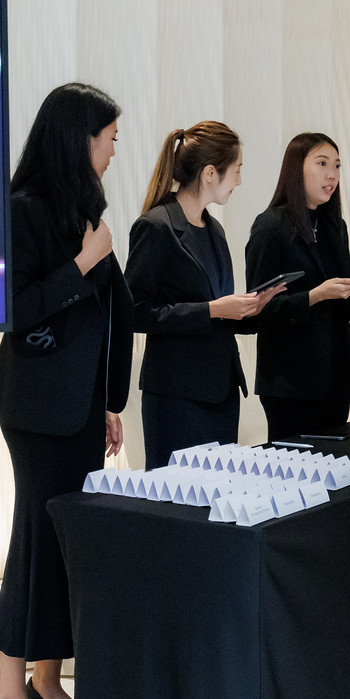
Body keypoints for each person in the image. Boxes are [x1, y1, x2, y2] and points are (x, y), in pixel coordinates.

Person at [0, 83, 134, 699]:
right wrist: (84, 262)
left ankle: (47, 680)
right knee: (38, 542)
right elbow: (16, 310)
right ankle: (7, 694)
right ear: (78, 139)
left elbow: (106, 312)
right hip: (37, 410)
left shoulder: (81, 209)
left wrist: (107, 398)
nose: (113, 152)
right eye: (109, 140)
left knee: (68, 543)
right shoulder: (24, 210)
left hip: (76, 406)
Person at [126, 122, 280, 466]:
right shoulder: (156, 226)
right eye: (236, 171)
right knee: (177, 507)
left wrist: (251, 309)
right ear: (211, 173)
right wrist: (212, 310)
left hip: (221, 392)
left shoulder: (215, 230)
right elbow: (135, 311)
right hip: (177, 396)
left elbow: (218, 312)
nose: (239, 181)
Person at [245, 133, 350, 441]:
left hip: (335, 376)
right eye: (322, 163)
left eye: (337, 166)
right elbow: (257, 309)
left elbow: (339, 306)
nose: (332, 174)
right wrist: (315, 296)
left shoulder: (335, 226)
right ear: (295, 169)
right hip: (290, 382)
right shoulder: (270, 226)